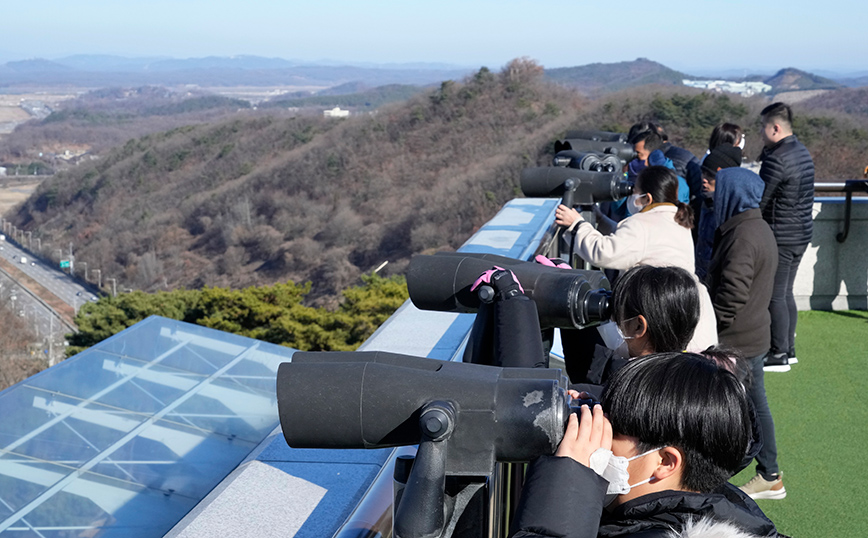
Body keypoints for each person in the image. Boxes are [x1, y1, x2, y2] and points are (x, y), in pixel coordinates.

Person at [510, 353, 781, 538]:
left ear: (665, 461)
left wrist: (565, 489)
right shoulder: (714, 504)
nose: (599, 430)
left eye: (612, 426)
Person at [554, 166, 717, 352]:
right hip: (688, 305)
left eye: (635, 190)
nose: (631, 194)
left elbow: (603, 252)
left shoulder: (641, 225)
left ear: (647, 198)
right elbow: (629, 243)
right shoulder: (677, 219)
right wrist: (600, 219)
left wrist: (576, 224)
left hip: (659, 309)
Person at [705, 165, 785, 500]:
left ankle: (768, 473)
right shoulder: (758, 227)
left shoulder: (742, 237)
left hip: (738, 340)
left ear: (732, 195)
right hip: (753, 334)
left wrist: (709, 326)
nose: (711, 194)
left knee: (747, 407)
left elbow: (732, 295)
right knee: (753, 405)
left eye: (717, 189)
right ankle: (768, 472)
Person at [572, 265, 700, 389]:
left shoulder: (617, 392)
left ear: (639, 327)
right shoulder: (697, 383)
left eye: (617, 316)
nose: (612, 320)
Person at [758, 102, 815, 370]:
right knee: (786, 292)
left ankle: (779, 353)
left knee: (775, 296)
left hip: (780, 233)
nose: (760, 132)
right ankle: (788, 348)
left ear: (775, 128)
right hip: (801, 232)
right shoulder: (801, 151)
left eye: (763, 127)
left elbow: (761, 198)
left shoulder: (777, 158)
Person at [695, 144, 742, 280]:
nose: (704, 179)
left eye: (711, 176)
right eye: (703, 172)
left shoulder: (731, 211)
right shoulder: (704, 202)